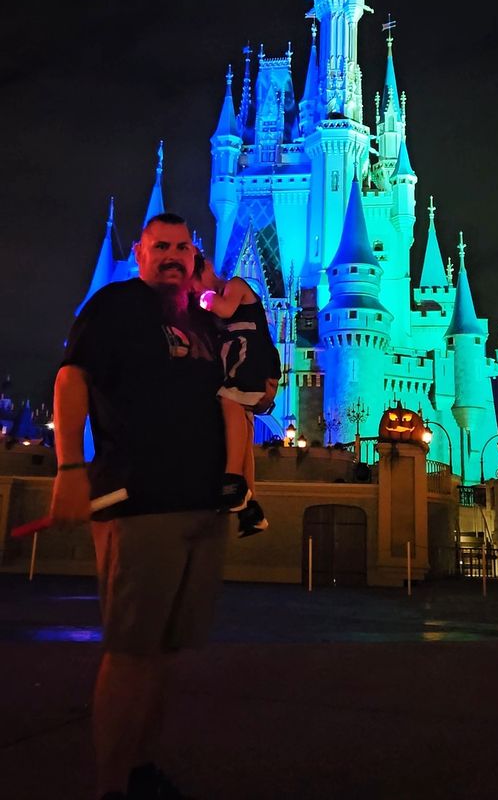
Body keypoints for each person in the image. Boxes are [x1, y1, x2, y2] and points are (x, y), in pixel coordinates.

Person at [50, 212, 229, 800]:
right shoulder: (114, 306)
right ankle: (110, 787)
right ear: (139, 251)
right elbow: (71, 380)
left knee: (162, 653)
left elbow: (242, 386)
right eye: (161, 247)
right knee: (130, 652)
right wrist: (70, 468)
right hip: (137, 501)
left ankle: (141, 769)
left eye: (183, 248)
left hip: (198, 504)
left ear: (195, 254)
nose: (172, 256)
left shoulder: (201, 319)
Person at [195, 256, 281, 538]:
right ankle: (250, 508)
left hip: (250, 362)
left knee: (230, 401)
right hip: (244, 362)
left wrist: (201, 296)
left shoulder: (234, 284)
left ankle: (232, 481)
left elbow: (224, 308)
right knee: (243, 427)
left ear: (206, 269)